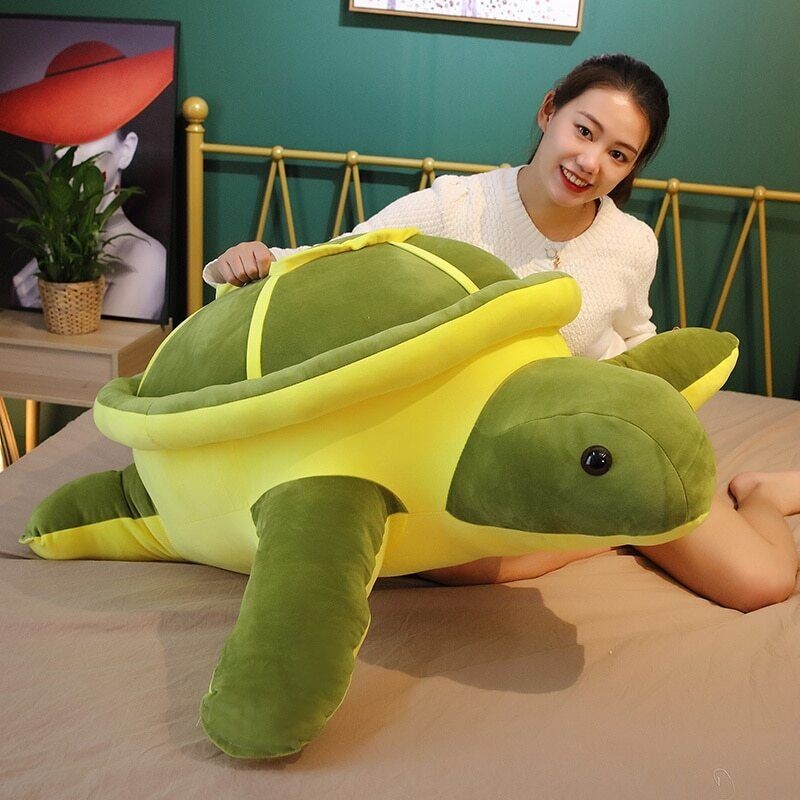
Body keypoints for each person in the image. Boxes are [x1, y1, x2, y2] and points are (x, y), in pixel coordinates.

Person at [203, 54, 799, 612]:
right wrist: (257, 261)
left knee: (761, 582)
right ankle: (612, 531)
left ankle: (762, 496)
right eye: (584, 131)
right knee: (441, 559)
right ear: (548, 112)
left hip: (599, 443)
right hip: (489, 452)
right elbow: (343, 261)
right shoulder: (456, 209)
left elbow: (638, 336)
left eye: (619, 155)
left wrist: (667, 403)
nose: (591, 162)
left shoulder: (632, 243)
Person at [0, 40, 173, 321]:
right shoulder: (42, 255)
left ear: (126, 150)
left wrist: (36, 314)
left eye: (84, 132)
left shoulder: (145, 258)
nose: (62, 152)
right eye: (53, 132)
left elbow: (105, 351)